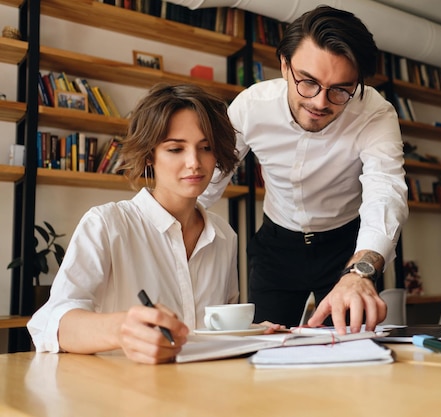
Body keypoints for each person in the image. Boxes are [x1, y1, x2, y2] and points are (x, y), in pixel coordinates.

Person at [199, 6, 408, 334]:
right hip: (276, 247)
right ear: (284, 65)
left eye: (341, 89)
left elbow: (386, 190)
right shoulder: (251, 107)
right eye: (308, 82)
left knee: (350, 351)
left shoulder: (376, 114)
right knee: (265, 348)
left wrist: (360, 273)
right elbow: (210, 180)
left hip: (346, 247)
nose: (321, 102)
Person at [28, 83, 243, 364]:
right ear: (150, 155)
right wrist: (121, 329)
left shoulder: (224, 235)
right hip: (125, 395)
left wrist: (256, 332)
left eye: (206, 148)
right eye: (176, 149)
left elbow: (222, 329)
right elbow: (49, 324)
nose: (194, 163)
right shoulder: (106, 224)